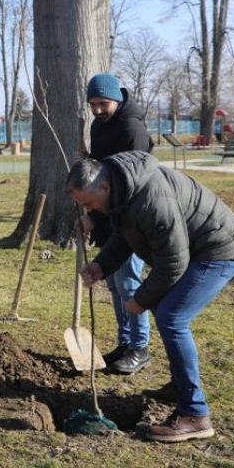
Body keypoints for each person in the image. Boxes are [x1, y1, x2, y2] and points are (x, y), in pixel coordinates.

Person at [68, 151, 234, 442]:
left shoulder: (152, 201)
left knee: (172, 317)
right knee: (168, 312)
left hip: (218, 249)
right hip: (194, 249)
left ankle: (195, 414)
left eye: (89, 203)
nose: (89, 210)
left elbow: (173, 263)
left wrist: (140, 300)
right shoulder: (122, 191)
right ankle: (181, 386)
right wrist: (102, 265)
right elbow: (125, 235)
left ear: (104, 187)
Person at [82, 72, 154, 374]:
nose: (97, 110)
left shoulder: (132, 128)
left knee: (128, 283)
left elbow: (130, 181)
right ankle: (125, 344)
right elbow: (102, 176)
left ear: (117, 98)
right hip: (109, 217)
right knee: (113, 283)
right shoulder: (100, 126)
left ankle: (140, 347)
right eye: (93, 104)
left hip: (131, 215)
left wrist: (98, 214)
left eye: (103, 103)